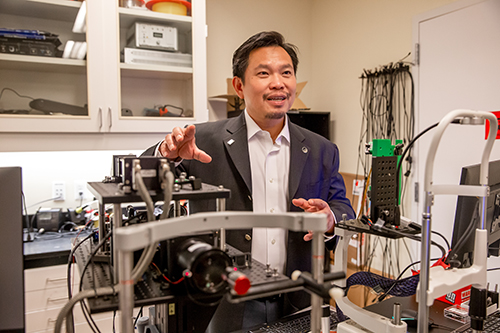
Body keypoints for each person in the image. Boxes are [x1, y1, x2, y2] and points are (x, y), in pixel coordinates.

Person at [142, 31, 355, 332]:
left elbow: (343, 207)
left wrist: (330, 216)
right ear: (239, 86)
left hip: (299, 298)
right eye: (264, 73)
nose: (278, 83)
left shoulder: (322, 149)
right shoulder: (202, 140)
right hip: (225, 301)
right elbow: (144, 181)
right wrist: (167, 154)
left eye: (286, 73)